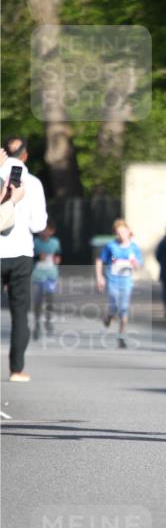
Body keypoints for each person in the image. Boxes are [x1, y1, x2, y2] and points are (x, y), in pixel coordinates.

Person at [0, 138, 48, 381]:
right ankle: (16, 369)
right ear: (25, 156)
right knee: (20, 313)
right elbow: (39, 225)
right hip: (21, 254)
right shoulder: (34, 184)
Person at [95, 219, 143, 349]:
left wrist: (135, 264)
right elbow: (100, 260)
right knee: (114, 306)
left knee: (123, 308)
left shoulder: (134, 248)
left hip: (126, 281)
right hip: (113, 281)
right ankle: (109, 316)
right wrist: (99, 277)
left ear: (128, 232)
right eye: (117, 233)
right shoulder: (111, 246)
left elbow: (139, 265)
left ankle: (121, 336)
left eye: (122, 232)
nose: (120, 235)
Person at [32, 220, 62, 340]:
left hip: (51, 275)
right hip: (38, 275)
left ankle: (48, 320)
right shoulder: (35, 242)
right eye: (42, 230)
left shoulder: (55, 242)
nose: (44, 232)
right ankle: (37, 324)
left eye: (47, 230)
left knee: (50, 299)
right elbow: (29, 257)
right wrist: (38, 257)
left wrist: (57, 259)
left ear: (52, 231)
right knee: (38, 301)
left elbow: (59, 253)